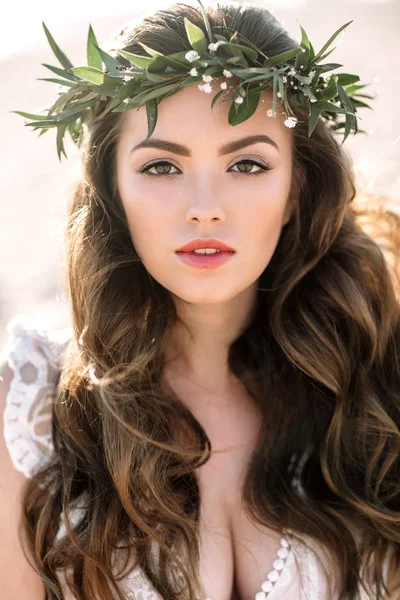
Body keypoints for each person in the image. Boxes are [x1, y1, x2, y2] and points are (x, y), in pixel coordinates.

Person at [1, 1, 400, 599]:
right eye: (162, 167)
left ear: (296, 190)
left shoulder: (374, 375)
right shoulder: (34, 405)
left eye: (247, 163)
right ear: (113, 189)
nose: (205, 206)